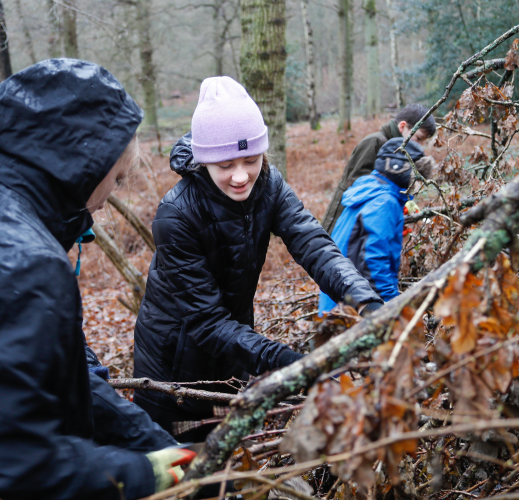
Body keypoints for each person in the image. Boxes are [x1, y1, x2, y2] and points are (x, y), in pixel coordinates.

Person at [0, 59, 193, 500]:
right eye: (116, 178)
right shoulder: (22, 264)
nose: (106, 202)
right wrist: (149, 473)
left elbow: (55, 377)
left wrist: (159, 445)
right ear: (84, 163)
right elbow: (23, 465)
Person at [133, 76, 383, 441]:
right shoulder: (176, 215)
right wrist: (296, 366)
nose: (240, 176)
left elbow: (313, 243)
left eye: (250, 160)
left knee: (226, 453)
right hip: (173, 372)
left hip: (233, 357)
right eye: (224, 165)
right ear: (204, 162)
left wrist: (365, 300)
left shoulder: (269, 184)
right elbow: (207, 324)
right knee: (182, 466)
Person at [318, 137, 435, 314]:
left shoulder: (371, 190)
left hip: (340, 300)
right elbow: (373, 261)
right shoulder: (384, 202)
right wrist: (390, 305)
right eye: (417, 179)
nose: (418, 187)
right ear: (404, 172)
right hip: (353, 309)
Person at [322, 104, 437, 234]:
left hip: (366, 225)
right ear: (402, 126)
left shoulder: (399, 153)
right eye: (418, 138)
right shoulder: (375, 142)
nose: (419, 145)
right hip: (344, 222)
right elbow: (356, 184)